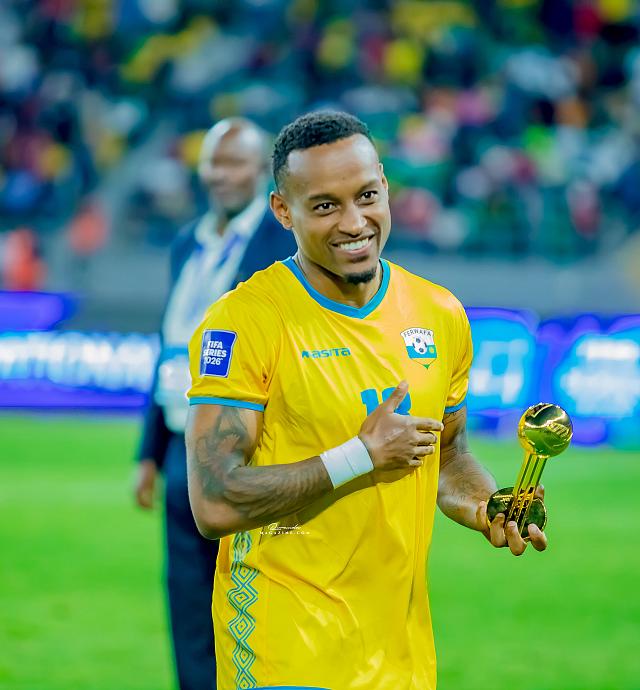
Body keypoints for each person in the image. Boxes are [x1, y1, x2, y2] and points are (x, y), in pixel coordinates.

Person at [184, 111, 547, 690]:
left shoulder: (438, 313)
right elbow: (214, 501)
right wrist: (360, 455)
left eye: (367, 196)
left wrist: (485, 504)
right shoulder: (245, 321)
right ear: (283, 210)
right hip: (285, 648)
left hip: (400, 657)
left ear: (384, 185)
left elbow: (448, 455)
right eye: (325, 205)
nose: (354, 222)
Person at [134, 117, 296, 690]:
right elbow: (171, 345)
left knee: (251, 597)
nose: (220, 175)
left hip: (247, 446)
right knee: (186, 598)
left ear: (262, 172)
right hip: (181, 446)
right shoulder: (188, 243)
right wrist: (148, 450)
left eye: (234, 163)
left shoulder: (285, 242)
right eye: (212, 162)